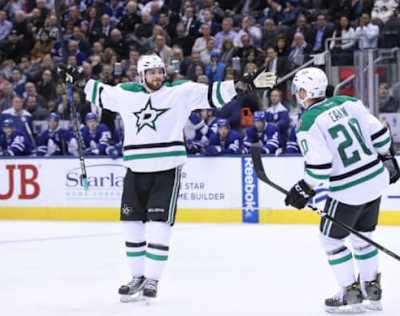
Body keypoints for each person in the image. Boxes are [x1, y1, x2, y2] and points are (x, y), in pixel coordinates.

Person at [82, 54, 276, 301]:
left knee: (161, 225)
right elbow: (98, 92)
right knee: (131, 225)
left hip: (167, 168)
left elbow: (213, 93)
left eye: (160, 71)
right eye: (151, 73)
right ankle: (137, 277)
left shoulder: (180, 91)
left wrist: (242, 85)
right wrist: (77, 79)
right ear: (141, 75)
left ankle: (152, 279)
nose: (157, 77)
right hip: (135, 170)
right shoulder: (125, 93)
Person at [284, 67, 399, 313]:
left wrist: (304, 189)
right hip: (376, 180)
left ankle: (351, 293)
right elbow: (381, 137)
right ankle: (372, 290)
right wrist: (387, 158)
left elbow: (319, 167)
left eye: (299, 91)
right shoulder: (350, 102)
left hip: (349, 189)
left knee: (329, 239)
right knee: (361, 236)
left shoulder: (308, 121)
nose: (297, 95)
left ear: (306, 92)